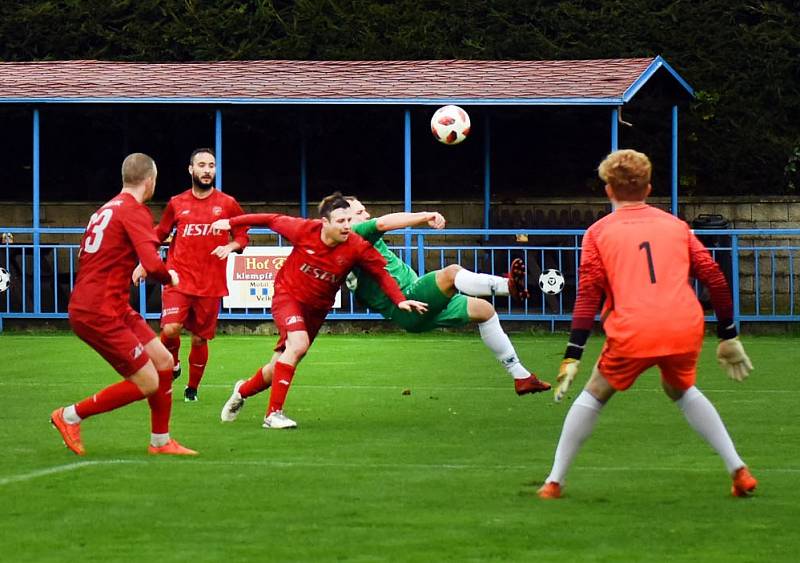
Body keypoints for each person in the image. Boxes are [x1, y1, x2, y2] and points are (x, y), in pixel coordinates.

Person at [537, 149, 755, 499]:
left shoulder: (597, 233)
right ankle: (738, 470)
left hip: (635, 329)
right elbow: (713, 276)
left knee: (594, 393)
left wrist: (572, 355)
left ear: (608, 190)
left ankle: (554, 482)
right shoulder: (676, 226)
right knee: (679, 389)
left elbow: (588, 295)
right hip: (684, 326)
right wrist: (728, 335)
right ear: (649, 188)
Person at [212, 192, 428, 429]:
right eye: (341, 222)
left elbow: (380, 273)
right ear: (325, 223)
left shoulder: (356, 246)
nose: (347, 227)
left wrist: (399, 300)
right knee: (298, 344)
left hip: (316, 309)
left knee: (280, 364)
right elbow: (269, 219)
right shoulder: (304, 230)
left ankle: (241, 391)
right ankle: (273, 415)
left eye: (349, 221)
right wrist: (231, 223)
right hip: (288, 296)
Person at [50, 153, 196, 456]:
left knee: (164, 362)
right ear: (150, 180)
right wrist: (171, 277)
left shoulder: (106, 209)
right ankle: (69, 415)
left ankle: (160, 441)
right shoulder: (134, 211)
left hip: (111, 304)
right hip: (98, 310)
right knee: (147, 381)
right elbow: (153, 264)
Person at [344, 197, 550, 395]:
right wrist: (426, 215)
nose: (367, 215)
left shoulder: (352, 242)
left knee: (484, 311)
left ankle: (521, 376)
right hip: (408, 301)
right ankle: (507, 286)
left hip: (416, 308)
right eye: (360, 212)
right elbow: (382, 223)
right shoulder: (353, 234)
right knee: (451, 273)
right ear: (344, 220)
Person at [133, 148, 249, 402]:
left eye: (211, 165)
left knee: (198, 339)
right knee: (171, 328)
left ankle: (192, 388)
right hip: (178, 278)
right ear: (191, 169)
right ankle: (172, 363)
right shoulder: (177, 203)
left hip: (210, 283)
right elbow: (160, 233)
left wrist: (230, 246)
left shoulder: (227, 203)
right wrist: (145, 261)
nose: (207, 170)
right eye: (202, 165)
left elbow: (243, 235)